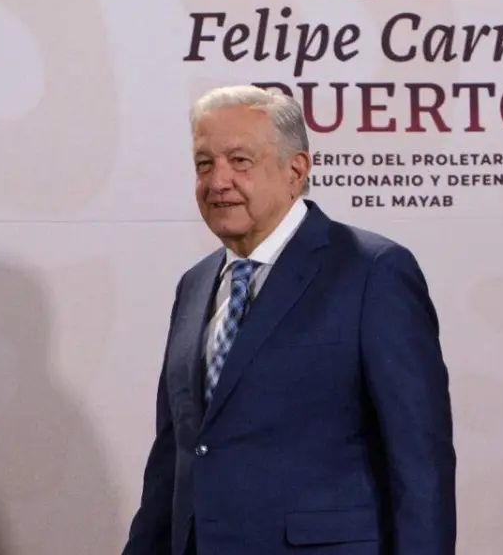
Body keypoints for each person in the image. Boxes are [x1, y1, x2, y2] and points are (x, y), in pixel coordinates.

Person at [120, 86, 457, 555]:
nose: (218, 181)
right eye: (204, 163)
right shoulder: (193, 286)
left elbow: (420, 465)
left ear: (296, 170)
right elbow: (172, 461)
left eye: (240, 161)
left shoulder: (372, 272)